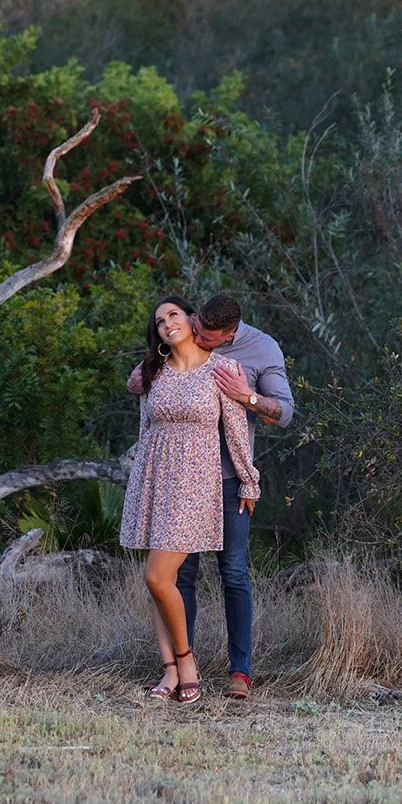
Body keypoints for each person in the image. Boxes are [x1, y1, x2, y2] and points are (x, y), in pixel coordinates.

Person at [127, 293, 294, 700]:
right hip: (170, 482)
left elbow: (283, 413)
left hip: (226, 480)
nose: (197, 335)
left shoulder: (251, 355)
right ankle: (183, 667)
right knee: (176, 577)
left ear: (228, 334)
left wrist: (247, 397)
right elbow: (143, 411)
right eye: (191, 325)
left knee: (232, 573)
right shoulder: (167, 361)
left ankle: (239, 670)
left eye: (206, 333)